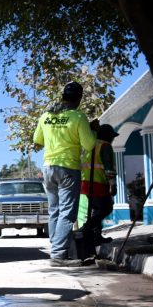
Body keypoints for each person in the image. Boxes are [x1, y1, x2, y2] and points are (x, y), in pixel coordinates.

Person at [33, 82, 97, 267]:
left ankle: (56, 248)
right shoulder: (78, 117)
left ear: (63, 96)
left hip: (48, 167)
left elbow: (37, 139)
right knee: (68, 212)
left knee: (54, 210)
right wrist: (92, 129)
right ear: (78, 98)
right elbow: (89, 144)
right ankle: (59, 254)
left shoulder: (46, 116)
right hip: (68, 168)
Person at [80, 123, 118, 246]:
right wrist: (113, 184)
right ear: (108, 136)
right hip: (99, 184)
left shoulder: (89, 146)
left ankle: (96, 236)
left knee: (96, 210)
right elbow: (108, 167)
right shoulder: (105, 146)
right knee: (106, 207)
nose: (113, 139)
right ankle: (87, 228)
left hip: (86, 183)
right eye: (112, 137)